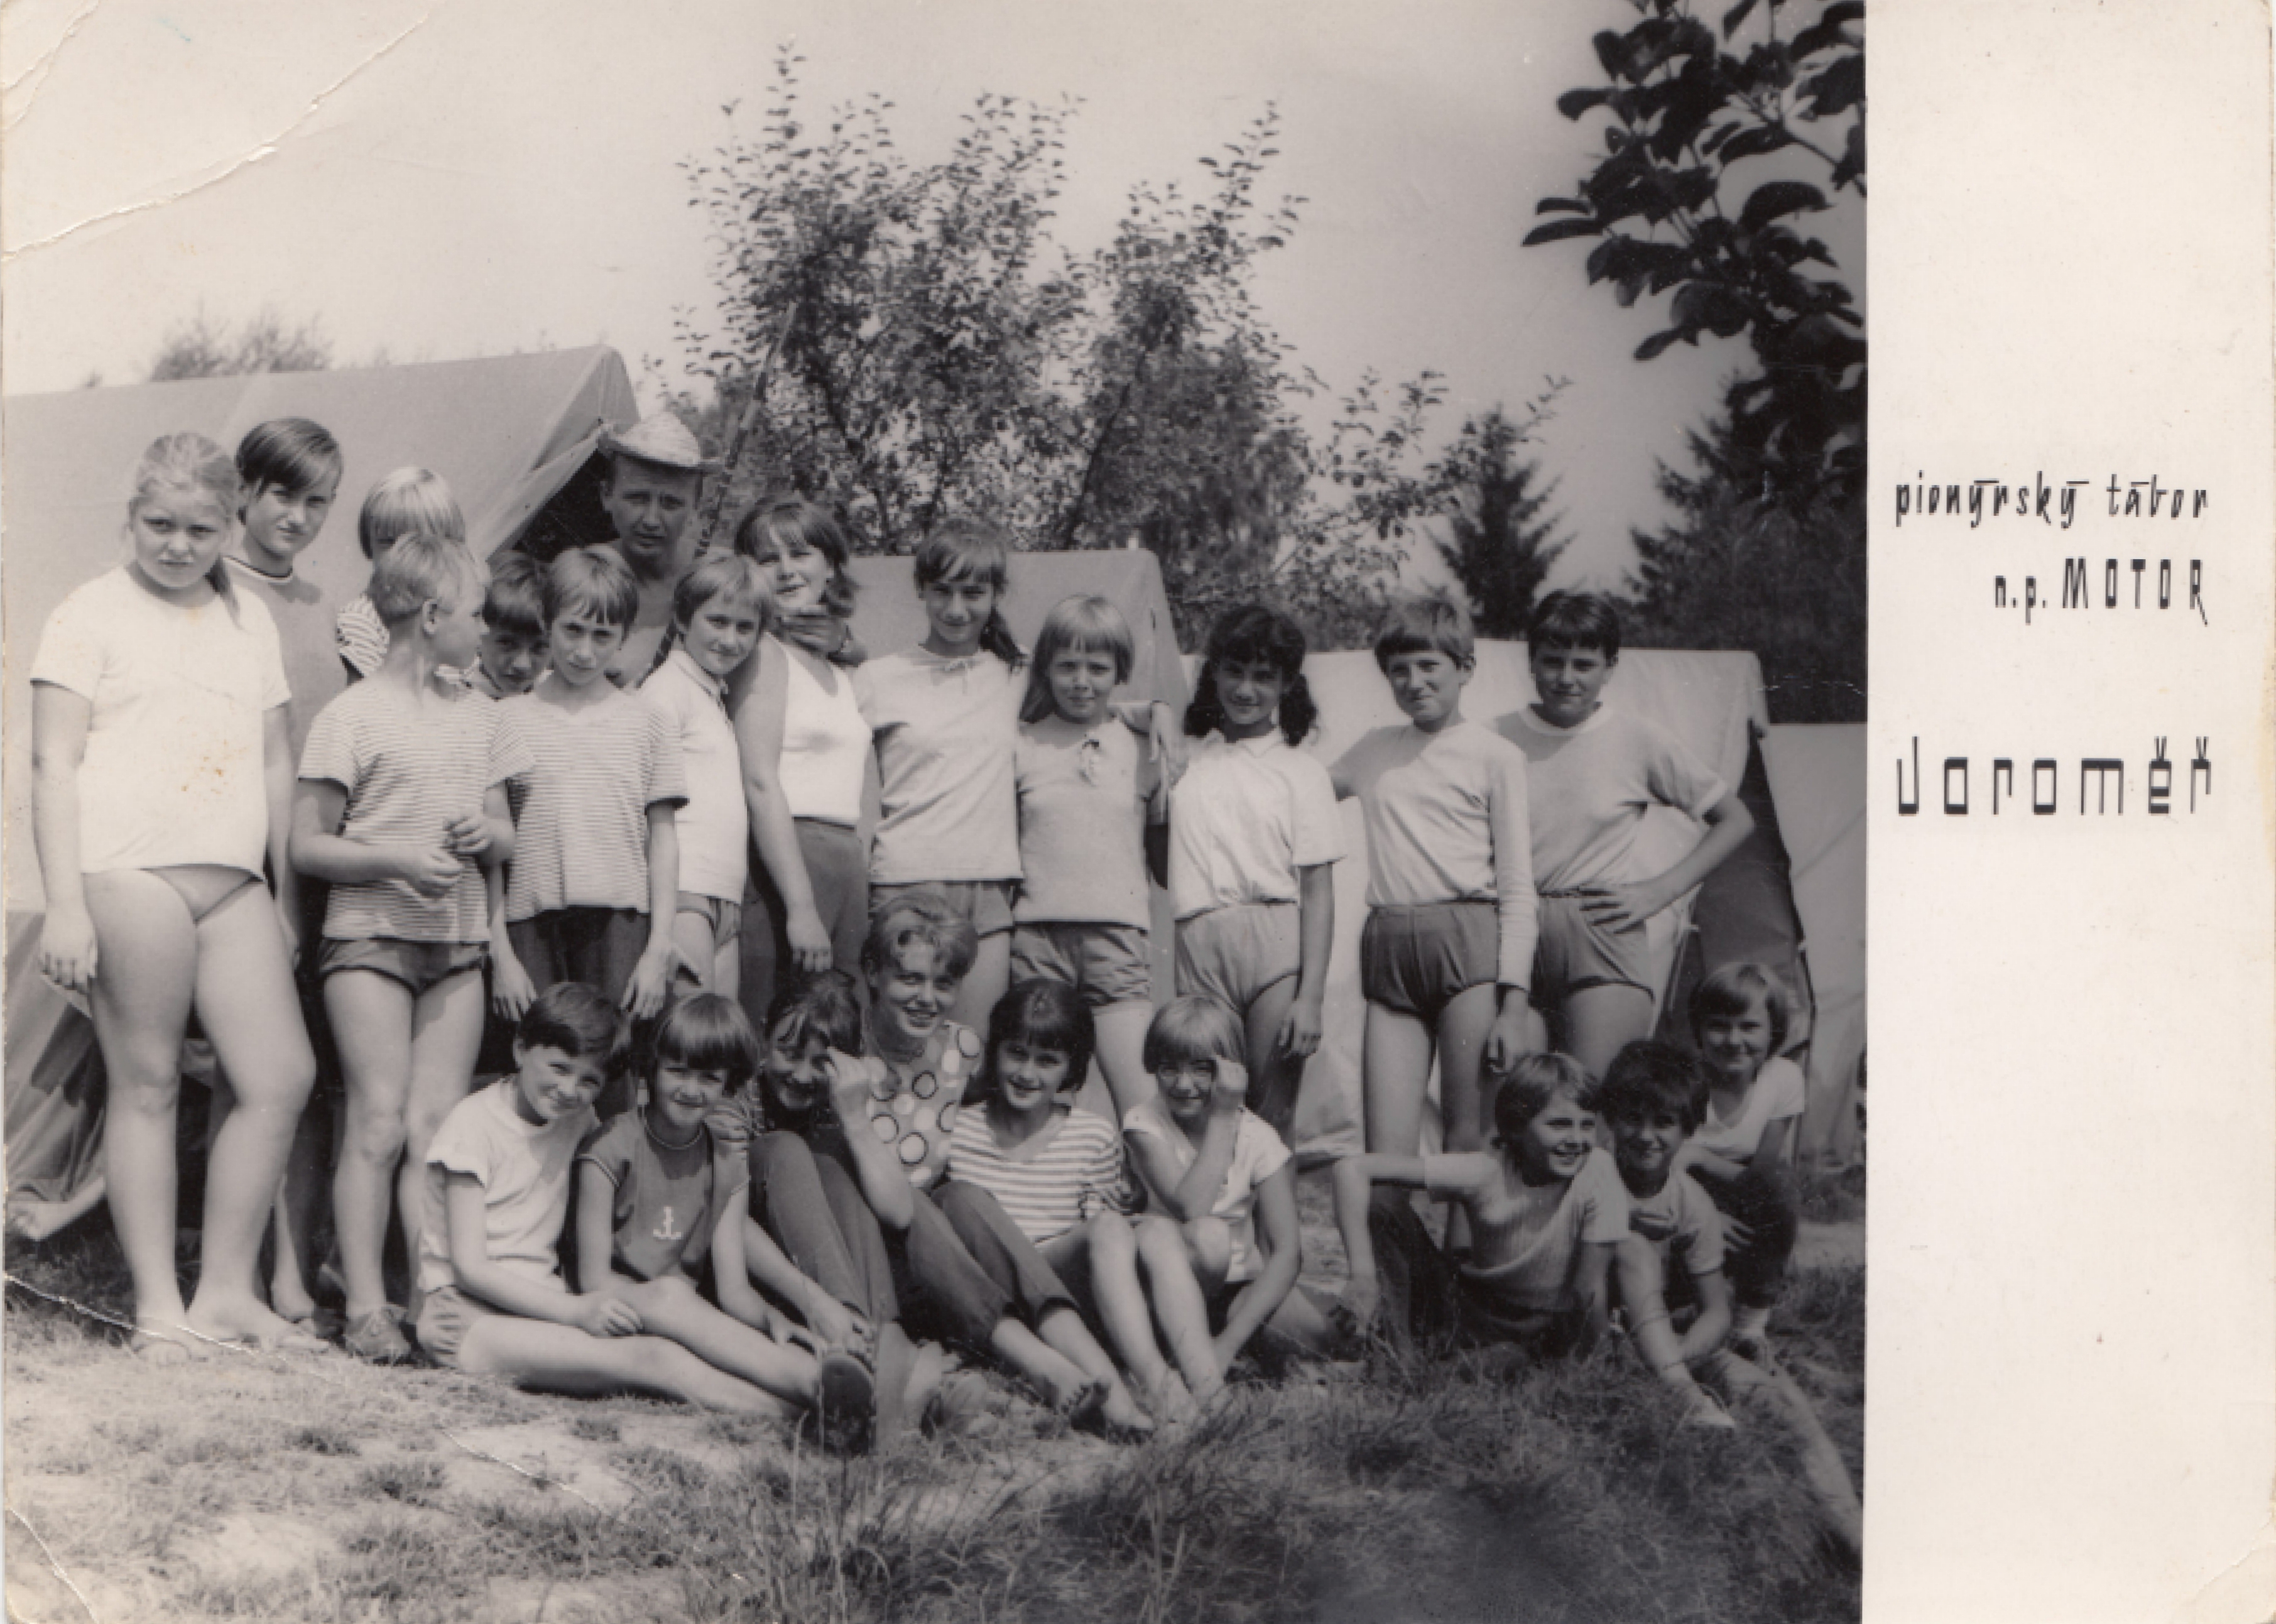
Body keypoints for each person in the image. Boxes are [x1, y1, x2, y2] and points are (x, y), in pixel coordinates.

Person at [31, 432, 321, 1360]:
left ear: (229, 525)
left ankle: (226, 1291)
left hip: (232, 880)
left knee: (279, 1076)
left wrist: (283, 897)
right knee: (149, 1083)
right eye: (159, 524)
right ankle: (158, 1307)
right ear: (131, 518)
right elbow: (51, 763)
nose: (178, 545)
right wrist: (65, 904)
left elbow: (275, 761)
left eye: (200, 528)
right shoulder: (89, 612)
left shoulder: (248, 618)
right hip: (129, 872)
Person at [290, 535, 527, 1363]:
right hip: (369, 942)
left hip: (456, 943)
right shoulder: (349, 717)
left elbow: (506, 833)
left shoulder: (482, 715)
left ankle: (428, 1301)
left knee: (434, 1128)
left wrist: (485, 834)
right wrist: (394, 859)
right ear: (431, 616)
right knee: (378, 1121)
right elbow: (308, 844)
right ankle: (363, 1303)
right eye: (476, 614)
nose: (485, 631)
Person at [746, 967, 1143, 1436]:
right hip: (792, 1281)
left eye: (820, 1063)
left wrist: (854, 1116)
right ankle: (884, 1354)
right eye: (789, 1053)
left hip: (862, 1280)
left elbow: (898, 1211)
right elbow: (728, 1226)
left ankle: (1061, 1368)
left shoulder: (839, 1103)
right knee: (787, 1149)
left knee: (945, 1195)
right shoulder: (741, 1102)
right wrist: (818, 1303)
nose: (801, 1075)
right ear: (763, 1038)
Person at [858, 518, 1174, 1033]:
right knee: (901, 1047)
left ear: (996, 593)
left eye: (972, 593)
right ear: (920, 588)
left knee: (974, 1051)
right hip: (905, 881)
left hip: (991, 892)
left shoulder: (1017, 672)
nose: (956, 609)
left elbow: (1088, 697)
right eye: (942, 591)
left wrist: (1157, 710)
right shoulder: (876, 678)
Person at [414, 983, 791, 1414]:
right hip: (468, 1315)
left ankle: (809, 1384)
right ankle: (796, 1417)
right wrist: (576, 1312)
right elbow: (471, 1270)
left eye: (588, 1080)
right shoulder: (473, 1124)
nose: (569, 1089)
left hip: (541, 1305)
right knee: (653, 1357)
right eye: (559, 1068)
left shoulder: (577, 1117)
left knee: (668, 1304)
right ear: (520, 1050)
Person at [572, 993, 876, 1449]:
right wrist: (666, 1304)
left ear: (729, 1084)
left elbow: (734, 1290)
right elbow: (593, 1280)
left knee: (724, 1330)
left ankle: (826, 1415)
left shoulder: (727, 1160)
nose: (692, 1090)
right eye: (678, 1071)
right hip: (615, 1310)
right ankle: (813, 1386)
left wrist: (770, 1317)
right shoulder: (610, 1146)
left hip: (687, 1317)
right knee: (671, 1298)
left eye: (709, 1078)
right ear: (651, 1068)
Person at [1331, 596, 1536, 1233]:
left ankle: (1463, 1283)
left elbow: (1517, 887)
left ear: (1465, 667)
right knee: (1386, 1156)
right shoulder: (1371, 751)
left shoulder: (1495, 755)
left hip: (1468, 949)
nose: (1413, 682)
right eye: (1398, 670)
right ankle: (1398, 1292)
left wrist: (1512, 1005)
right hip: (1390, 947)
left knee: (1465, 1139)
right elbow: (1292, 798)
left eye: (1428, 666)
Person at [1501, 592, 1755, 1081]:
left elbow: (1735, 818)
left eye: (1584, 664)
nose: (1566, 677)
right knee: (1517, 1102)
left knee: (1594, 1099)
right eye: (1552, 661)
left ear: (1610, 667)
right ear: (1530, 661)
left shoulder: (1636, 738)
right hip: (1513, 931)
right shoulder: (1494, 737)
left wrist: (1660, 890)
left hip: (1601, 933)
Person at [949, 981, 1223, 1420]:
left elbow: (1103, 1241)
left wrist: (1121, 1203)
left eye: (1047, 1061)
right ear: (994, 1050)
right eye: (1016, 1053)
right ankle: (1157, 1382)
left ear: (1071, 1068)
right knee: (1112, 1228)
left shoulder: (1091, 1134)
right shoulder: (958, 1129)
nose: (1027, 1073)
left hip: (1064, 1295)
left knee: (1136, 1228)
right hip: (996, 1290)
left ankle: (1194, 1383)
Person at [219, 418, 348, 1329]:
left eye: (317, 502)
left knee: (313, 1077)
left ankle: (293, 1266)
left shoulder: (326, 605)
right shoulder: (213, 590)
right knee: (251, 1071)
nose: (297, 516)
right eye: (281, 494)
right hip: (245, 861)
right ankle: (237, 1264)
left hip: (323, 857)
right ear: (244, 490)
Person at [491, 548, 687, 1091]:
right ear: (547, 622)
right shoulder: (504, 719)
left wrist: (658, 947)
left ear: (624, 636)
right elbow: (491, 856)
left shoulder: (649, 721)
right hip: (531, 927)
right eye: (572, 630)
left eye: (603, 636)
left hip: (620, 928)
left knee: (611, 1082)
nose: (584, 650)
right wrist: (501, 952)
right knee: (536, 1082)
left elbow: (664, 839)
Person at [1167, 604, 1343, 1140]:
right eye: (1234, 671)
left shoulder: (1301, 771)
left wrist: (1310, 997)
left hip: (1275, 946)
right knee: (1203, 1109)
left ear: (1287, 683)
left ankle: (1274, 1205)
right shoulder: (1184, 759)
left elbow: (1318, 891)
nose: (1246, 689)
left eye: (1264, 676)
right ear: (1214, 672)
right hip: (1200, 941)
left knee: (1270, 1116)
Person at [1331, 1052, 1623, 1361]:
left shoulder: (1598, 1170)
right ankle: (1399, 1356)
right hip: (1477, 1308)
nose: (1577, 1140)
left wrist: (1595, 1361)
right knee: (1383, 1202)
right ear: (1517, 1128)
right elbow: (1350, 1169)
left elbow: (1588, 1291)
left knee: (1508, 1360)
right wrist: (1362, 1275)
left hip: (1548, 1324)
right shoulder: (1487, 1170)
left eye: (1587, 1126)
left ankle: (1456, 1364)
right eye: (1559, 1125)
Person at [1010, 595, 1163, 1117]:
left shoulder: (1145, 746)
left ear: (1120, 671)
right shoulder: (1021, 743)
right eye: (1067, 666)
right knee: (1038, 1095)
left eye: (1097, 668)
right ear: (1047, 668)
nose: (1081, 681)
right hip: (1038, 940)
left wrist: (1158, 712)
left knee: (1141, 1101)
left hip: (1117, 941)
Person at [1123, 996, 1332, 1373]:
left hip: (1235, 1287)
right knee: (1209, 1237)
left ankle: (1222, 1348)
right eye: (1169, 1068)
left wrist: (1228, 1343)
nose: (1183, 1084)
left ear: (1230, 1070)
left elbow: (1288, 1253)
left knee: (1316, 1334)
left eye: (1202, 1069)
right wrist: (1222, 1114)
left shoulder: (1258, 1135)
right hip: (1167, 1279)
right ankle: (1182, 1348)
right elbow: (1193, 1207)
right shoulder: (1145, 1123)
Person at [725, 498, 873, 1020]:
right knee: (773, 1023)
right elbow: (760, 781)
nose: (786, 570)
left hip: (846, 862)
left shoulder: (840, 666)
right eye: (768, 558)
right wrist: (800, 905)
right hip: (786, 864)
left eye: (801, 553)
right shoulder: (763, 653)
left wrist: (848, 643)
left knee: (839, 1027)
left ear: (831, 566)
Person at [640, 553, 769, 997]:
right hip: (683, 892)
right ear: (681, 617)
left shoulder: (712, 696)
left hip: (724, 893)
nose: (730, 640)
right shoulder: (665, 691)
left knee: (719, 1033)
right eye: (717, 621)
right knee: (686, 1029)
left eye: (745, 627)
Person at [1598, 1040, 1740, 1427]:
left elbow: (1716, 1311)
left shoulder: (1691, 1203)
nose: (1646, 1136)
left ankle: (1672, 1379)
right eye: (1632, 1119)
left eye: (1663, 1123)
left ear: (1687, 1129)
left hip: (1653, 1328)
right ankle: (1674, 1385)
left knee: (1751, 1382)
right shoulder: (1591, 1173)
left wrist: (1679, 1356)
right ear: (1611, 1118)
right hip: (1586, 1317)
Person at [1674, 964, 1804, 1363]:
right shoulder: (1683, 1077)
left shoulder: (1783, 1078)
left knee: (1779, 1190)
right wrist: (1704, 1215)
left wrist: (1698, 1155)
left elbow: (1762, 1173)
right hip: (1677, 1191)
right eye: (1719, 1026)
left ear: (1773, 1030)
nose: (1733, 1041)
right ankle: (1677, 1303)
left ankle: (1751, 1322)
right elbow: (1663, 1166)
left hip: (1739, 1186)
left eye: (1749, 1027)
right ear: (1699, 1029)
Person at [591, 412, 718, 687]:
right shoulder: (584, 574)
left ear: (695, 508)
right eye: (637, 499)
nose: (651, 520)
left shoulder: (716, 579)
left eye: (671, 504)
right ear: (606, 496)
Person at [334, 469, 469, 684]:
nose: (401, 557)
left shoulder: (457, 614)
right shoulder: (362, 620)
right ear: (369, 544)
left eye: (417, 544)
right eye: (388, 542)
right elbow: (366, 699)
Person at [469, 552, 548, 700]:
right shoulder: (451, 693)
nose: (523, 665)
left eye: (540, 647)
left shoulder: (554, 696)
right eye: (507, 643)